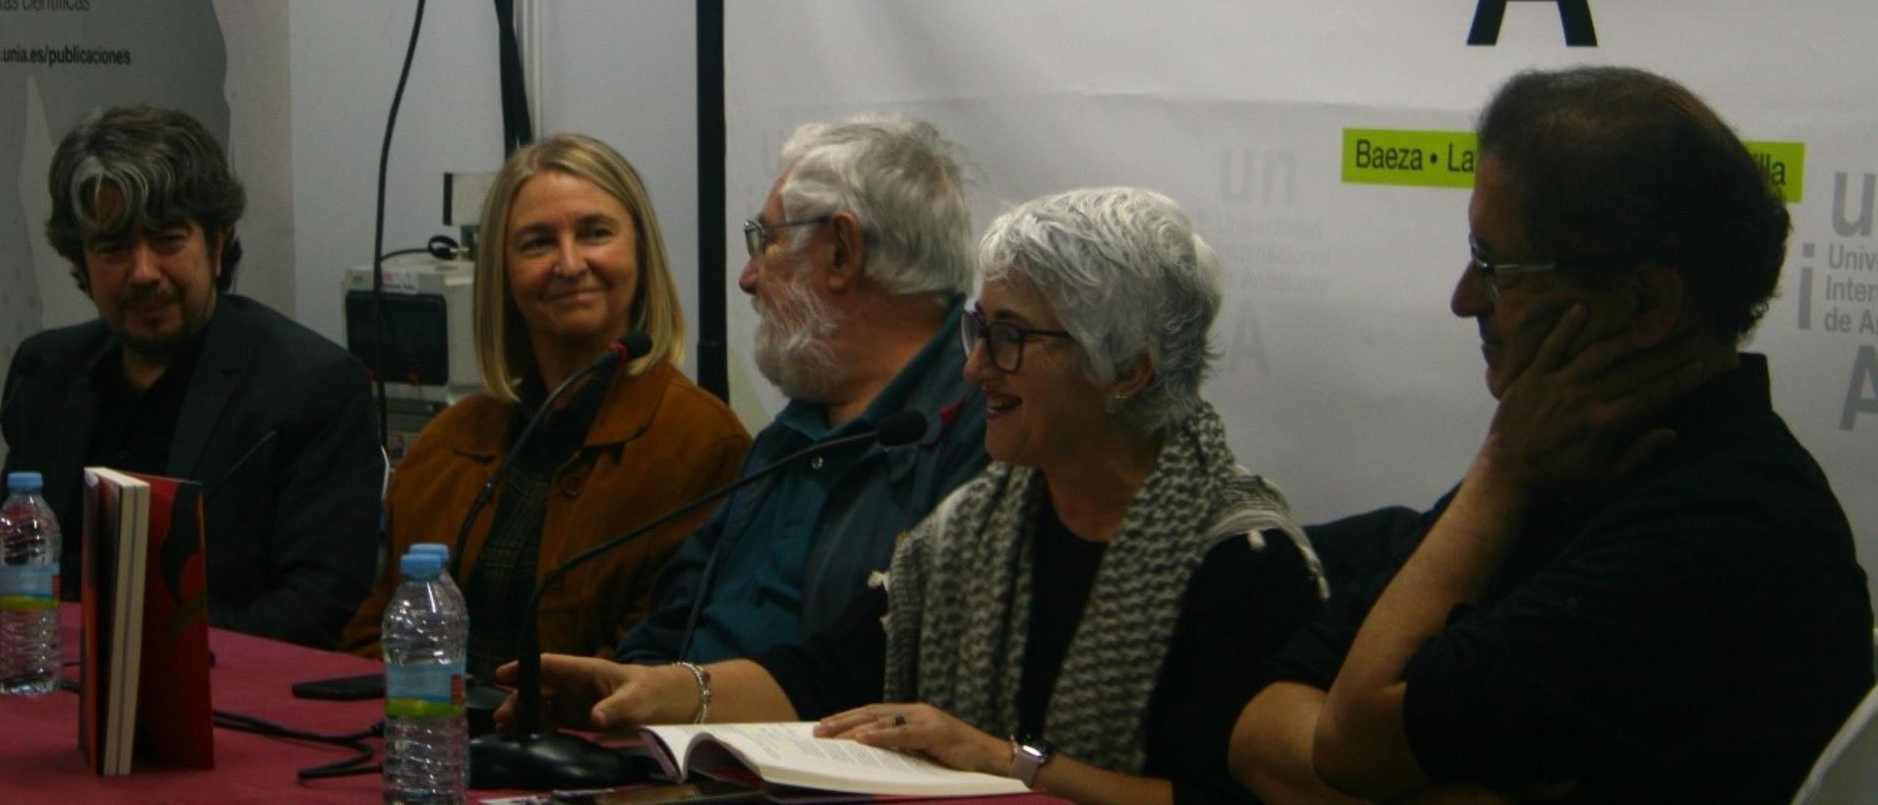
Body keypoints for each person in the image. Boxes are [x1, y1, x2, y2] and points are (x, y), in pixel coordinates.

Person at [519, 187, 1325, 805]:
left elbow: (1228, 796)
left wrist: (1012, 764)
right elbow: (835, 672)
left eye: (1010, 339)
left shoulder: (1240, 560)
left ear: (1126, 371)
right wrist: (667, 691)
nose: (974, 369)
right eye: (979, 331)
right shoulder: (977, 527)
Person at [1230, 66, 1874, 805]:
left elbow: (1348, 743)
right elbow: (1261, 729)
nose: (1464, 298)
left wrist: (1500, 472)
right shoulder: (1564, 458)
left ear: (1644, 301)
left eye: (1495, 266)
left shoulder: (1729, 527)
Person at [0, 105, 381, 648]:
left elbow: (315, 607)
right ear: (80, 265)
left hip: (221, 696)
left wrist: (144, 659)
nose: (143, 273)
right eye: (113, 248)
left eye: (167, 240)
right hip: (48, 688)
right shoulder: (46, 373)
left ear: (218, 244)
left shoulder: (311, 386)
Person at [339, 134, 750, 678]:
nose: (569, 262)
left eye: (595, 233)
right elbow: (374, 635)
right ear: (502, 274)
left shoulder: (701, 444)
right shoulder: (447, 442)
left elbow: (654, 658)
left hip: (589, 752)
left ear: (641, 253)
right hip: (432, 746)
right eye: (536, 243)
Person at [611, 115, 988, 665]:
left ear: (842, 252)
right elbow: (671, 620)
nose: (748, 276)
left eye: (765, 240)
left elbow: (891, 675)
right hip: (673, 741)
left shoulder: (987, 433)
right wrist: (611, 700)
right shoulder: (793, 429)